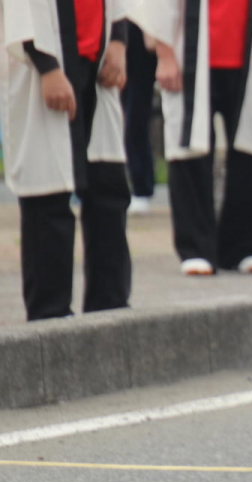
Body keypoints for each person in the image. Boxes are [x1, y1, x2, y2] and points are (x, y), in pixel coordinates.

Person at [130, 0, 252, 276]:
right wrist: (164, 54)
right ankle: (196, 248)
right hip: (190, 51)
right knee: (189, 147)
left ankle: (246, 246)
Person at [0, 0, 133, 322]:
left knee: (108, 188)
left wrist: (118, 39)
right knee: (48, 194)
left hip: (98, 63)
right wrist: (47, 67)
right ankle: (50, 316)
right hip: (44, 67)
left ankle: (109, 308)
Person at [121, 21, 156, 214]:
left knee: (136, 113)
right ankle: (140, 185)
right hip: (128, 26)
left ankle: (142, 186)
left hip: (150, 24)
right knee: (131, 111)